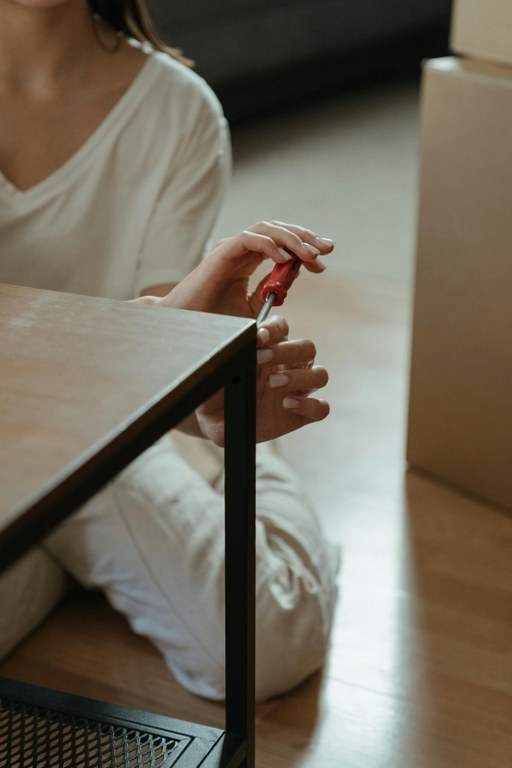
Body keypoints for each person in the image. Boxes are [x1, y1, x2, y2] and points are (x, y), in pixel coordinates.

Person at [0, 0, 339, 701]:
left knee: (264, 644)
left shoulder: (177, 111)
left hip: (103, 432)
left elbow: (155, 376)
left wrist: (207, 384)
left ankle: (251, 471)